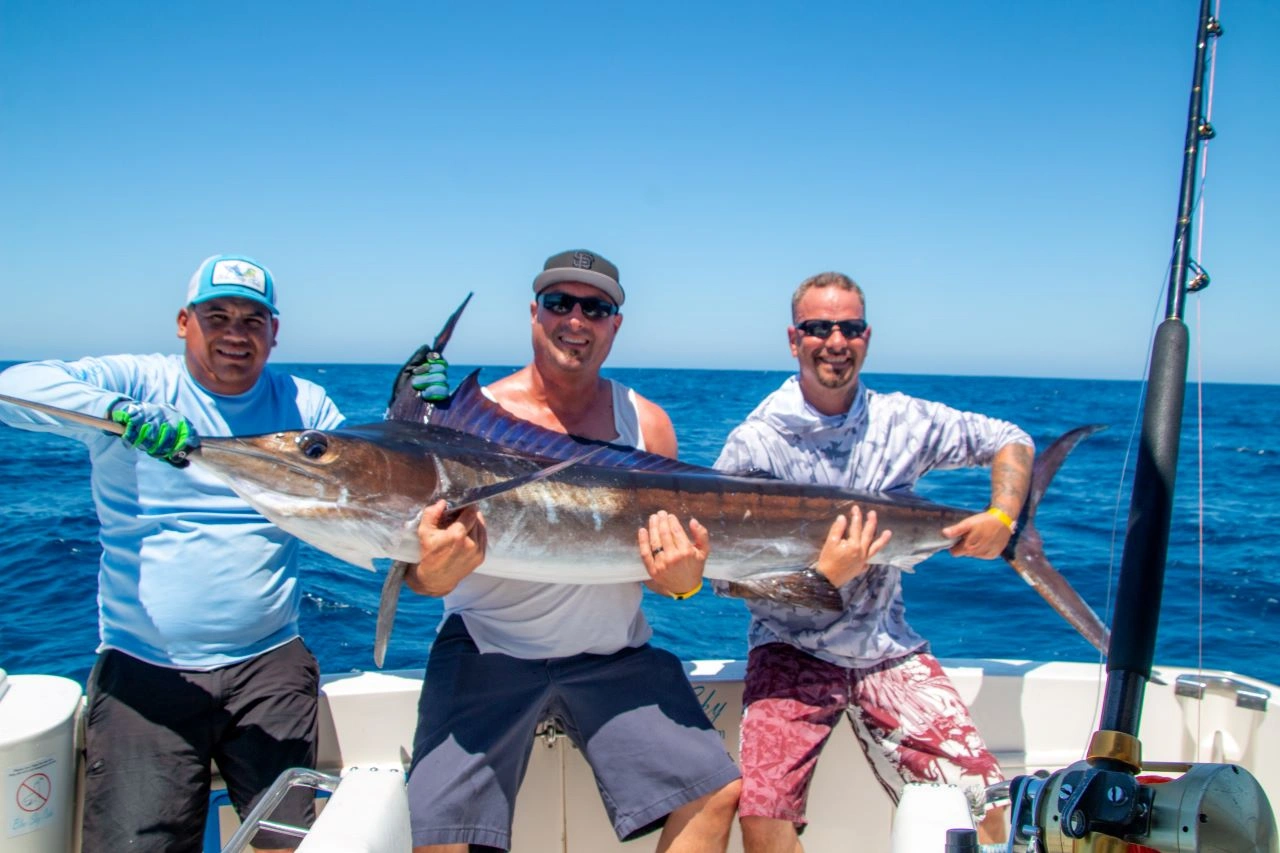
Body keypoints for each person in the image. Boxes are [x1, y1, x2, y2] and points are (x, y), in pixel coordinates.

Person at [0, 254, 345, 852]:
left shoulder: (304, 405)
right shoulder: (136, 381)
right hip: (146, 669)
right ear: (184, 322)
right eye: (217, 316)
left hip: (270, 665)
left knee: (287, 843)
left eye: (252, 320)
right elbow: (12, 388)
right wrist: (115, 413)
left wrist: (427, 412)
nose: (236, 333)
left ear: (274, 332)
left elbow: (370, 473)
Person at [403, 249, 742, 853]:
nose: (576, 320)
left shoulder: (647, 424)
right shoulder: (468, 421)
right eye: (560, 303)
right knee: (438, 830)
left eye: (596, 308)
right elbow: (417, 573)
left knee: (716, 791)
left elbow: (667, 574)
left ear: (616, 324)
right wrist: (430, 575)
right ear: (534, 313)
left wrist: (685, 584)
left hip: (611, 653)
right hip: (486, 648)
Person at [712, 271, 1033, 850]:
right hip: (789, 649)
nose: (835, 341)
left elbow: (1010, 438)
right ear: (794, 339)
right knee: (762, 820)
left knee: (989, 812)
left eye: (850, 327)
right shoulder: (756, 443)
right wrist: (820, 579)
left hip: (888, 648)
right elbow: (727, 581)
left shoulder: (903, 421)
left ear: (867, 336)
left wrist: (1003, 518)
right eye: (818, 328)